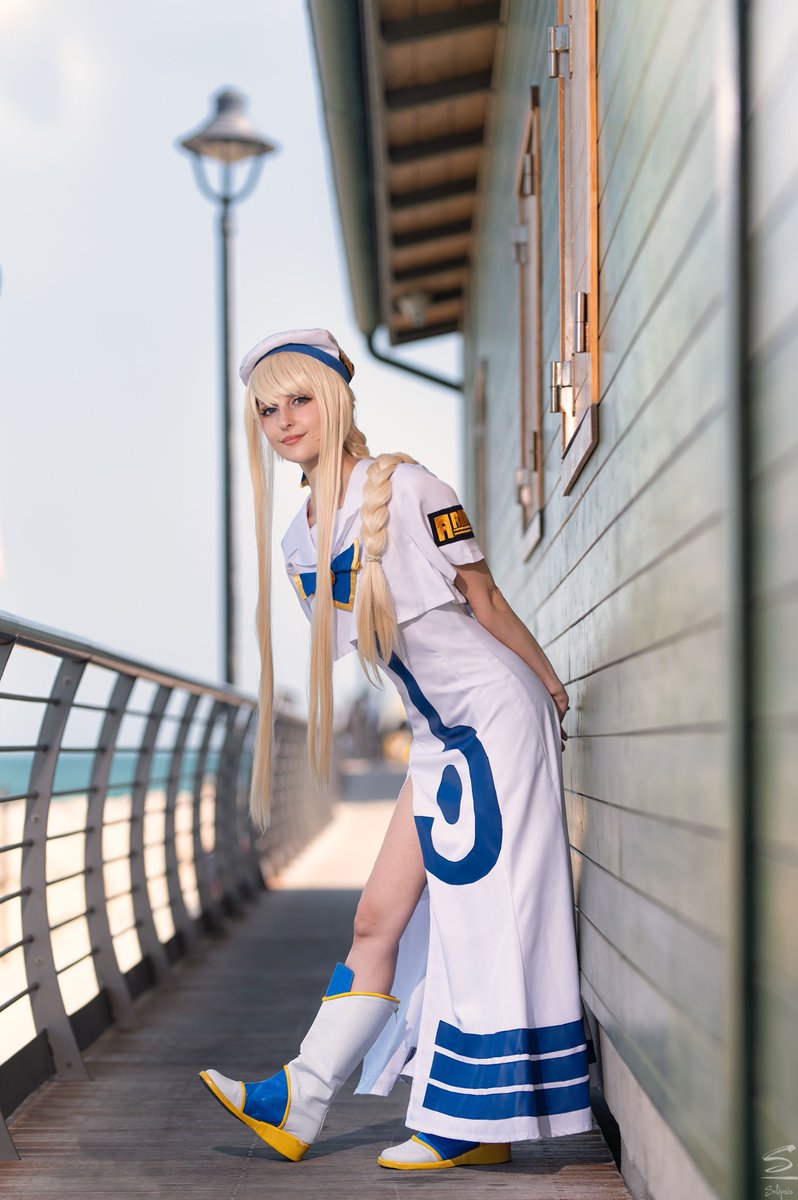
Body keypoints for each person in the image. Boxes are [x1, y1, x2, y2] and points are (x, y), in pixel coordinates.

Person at [199, 328, 597, 1171]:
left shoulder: (414, 489)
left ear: (336, 398)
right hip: (433, 737)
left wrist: (549, 686)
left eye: (299, 400)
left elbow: (485, 600)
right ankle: (300, 1099)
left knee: (483, 914)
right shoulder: (300, 539)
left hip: (494, 719)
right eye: (267, 410)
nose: (284, 420)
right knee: (376, 917)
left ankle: (474, 1119)